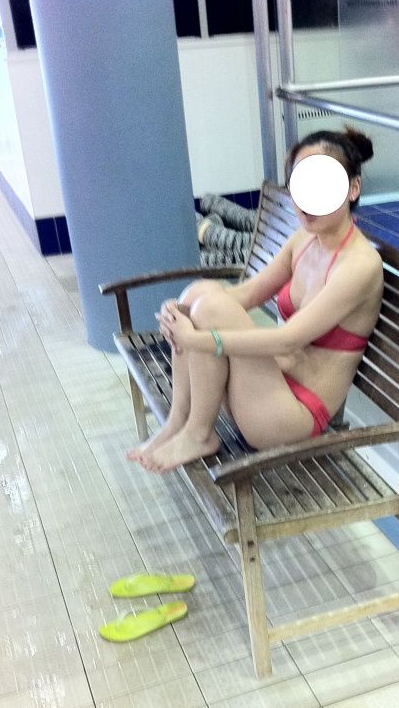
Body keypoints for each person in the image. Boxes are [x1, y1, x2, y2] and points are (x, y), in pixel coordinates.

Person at [128, 127, 383, 474]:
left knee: (211, 307)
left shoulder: (360, 265)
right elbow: (246, 294)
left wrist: (195, 338)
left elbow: (288, 339)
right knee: (200, 293)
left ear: (352, 188)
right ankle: (178, 423)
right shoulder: (304, 240)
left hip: (293, 416)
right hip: (269, 387)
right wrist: (181, 310)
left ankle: (199, 433)